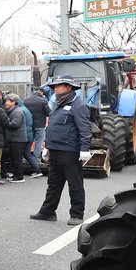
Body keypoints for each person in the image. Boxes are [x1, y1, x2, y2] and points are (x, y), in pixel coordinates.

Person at [32, 75, 91, 225]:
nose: (55, 89)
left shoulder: (78, 106)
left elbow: (85, 129)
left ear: (68, 87)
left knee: (75, 184)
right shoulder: (58, 105)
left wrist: (84, 148)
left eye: (59, 86)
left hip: (70, 151)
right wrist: (47, 146)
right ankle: (47, 212)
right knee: (53, 183)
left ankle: (77, 214)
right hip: (55, 150)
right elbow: (52, 127)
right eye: (55, 86)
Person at [4, 92, 30, 181]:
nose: (6, 103)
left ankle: (19, 176)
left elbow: (15, 124)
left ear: (13, 102)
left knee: (17, 159)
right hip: (15, 138)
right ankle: (16, 174)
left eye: (8, 101)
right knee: (14, 158)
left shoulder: (17, 112)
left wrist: (6, 121)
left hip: (18, 139)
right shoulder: (13, 111)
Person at [24, 87, 49, 177]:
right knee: (39, 142)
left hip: (29, 125)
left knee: (30, 141)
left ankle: (27, 156)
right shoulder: (43, 101)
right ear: (41, 93)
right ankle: (35, 158)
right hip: (40, 125)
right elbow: (48, 112)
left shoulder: (26, 100)